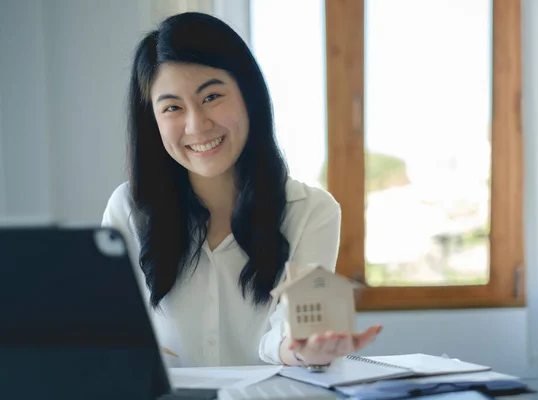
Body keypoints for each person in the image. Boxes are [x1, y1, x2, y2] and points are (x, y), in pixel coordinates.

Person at [101, 11, 381, 368]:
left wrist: (304, 347)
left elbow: (291, 329)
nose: (196, 125)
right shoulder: (128, 209)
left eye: (211, 96)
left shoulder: (311, 210)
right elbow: (114, 331)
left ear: (249, 96)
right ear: (151, 120)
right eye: (172, 107)